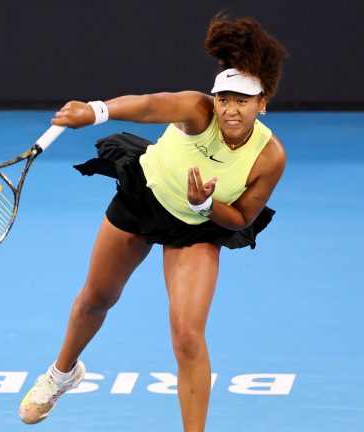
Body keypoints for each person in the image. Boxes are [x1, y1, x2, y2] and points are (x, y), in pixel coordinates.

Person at [18, 12, 288, 432]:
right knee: (96, 298)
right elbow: (149, 104)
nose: (231, 109)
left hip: (198, 224)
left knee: (187, 334)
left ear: (262, 104)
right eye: (225, 99)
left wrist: (204, 206)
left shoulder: (270, 156)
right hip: (146, 197)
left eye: (243, 101)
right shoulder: (198, 111)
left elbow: (241, 217)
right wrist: (96, 111)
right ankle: (61, 374)